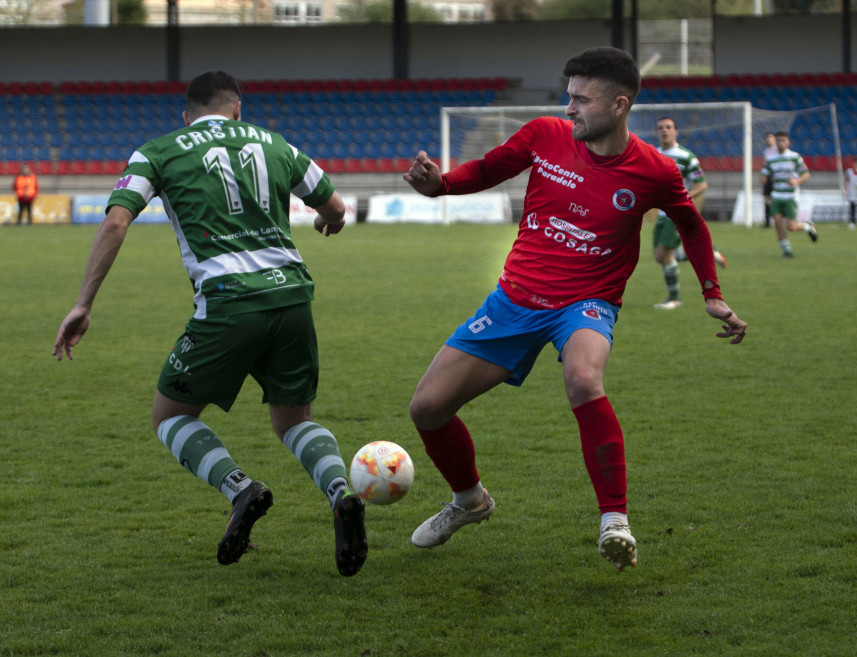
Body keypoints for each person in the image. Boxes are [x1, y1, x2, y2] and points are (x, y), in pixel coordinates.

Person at [401, 47, 747, 572]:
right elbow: (489, 168)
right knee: (426, 408)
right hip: (515, 298)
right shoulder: (544, 135)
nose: (570, 109)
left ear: (619, 105)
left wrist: (711, 292)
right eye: (568, 97)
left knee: (585, 379)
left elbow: (692, 226)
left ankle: (615, 522)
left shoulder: (655, 170)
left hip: (586, 302)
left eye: (582, 100)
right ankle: (469, 501)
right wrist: (441, 184)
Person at [52, 70, 368, 577]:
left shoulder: (157, 151)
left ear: (187, 115)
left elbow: (115, 221)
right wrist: (330, 222)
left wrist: (84, 303)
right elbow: (333, 207)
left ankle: (241, 490)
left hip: (226, 304)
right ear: (237, 108)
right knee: (295, 421)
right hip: (291, 297)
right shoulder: (275, 142)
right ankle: (341, 494)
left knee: (170, 415)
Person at [652, 116, 726, 310]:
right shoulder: (653, 154)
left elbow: (701, 184)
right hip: (660, 214)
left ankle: (674, 299)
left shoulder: (686, 156)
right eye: (660, 128)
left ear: (676, 132)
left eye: (668, 127)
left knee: (664, 255)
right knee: (659, 256)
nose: (664, 131)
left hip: (677, 214)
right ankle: (709, 252)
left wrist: (684, 196)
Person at [760, 131, 817, 258]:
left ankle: (808, 226)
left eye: (783, 140)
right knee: (778, 222)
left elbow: (806, 174)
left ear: (788, 142)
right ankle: (787, 251)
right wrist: (763, 178)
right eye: (779, 140)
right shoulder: (771, 159)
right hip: (776, 195)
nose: (781, 143)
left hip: (791, 196)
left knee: (791, 226)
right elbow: (765, 173)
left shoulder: (795, 157)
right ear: (776, 142)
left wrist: (797, 181)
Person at [761, 132, 777, 228]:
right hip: (768, 178)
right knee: (766, 199)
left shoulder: (777, 150)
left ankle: (779, 219)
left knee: (776, 200)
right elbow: (765, 166)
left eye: (770, 137)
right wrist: (763, 176)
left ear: (774, 139)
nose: (768, 139)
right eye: (766, 138)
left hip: (776, 179)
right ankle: (767, 223)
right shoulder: (766, 151)